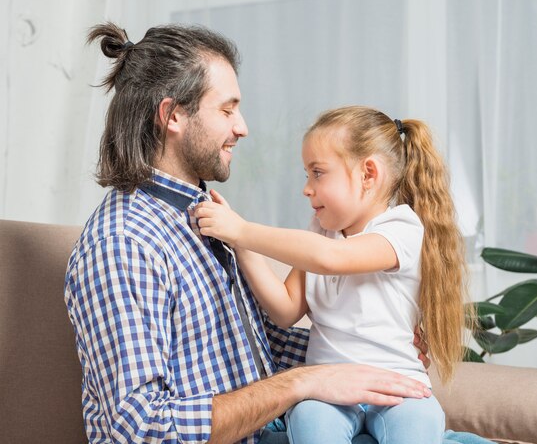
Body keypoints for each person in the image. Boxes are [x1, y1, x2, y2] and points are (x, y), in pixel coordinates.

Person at [64, 23, 431, 444]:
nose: (242, 127)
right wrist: (300, 383)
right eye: (227, 109)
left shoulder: (202, 219)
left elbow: (252, 342)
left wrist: (374, 347)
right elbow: (143, 430)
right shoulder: (125, 244)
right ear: (173, 116)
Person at [194, 106, 468, 444]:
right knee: (310, 419)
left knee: (417, 425)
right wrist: (243, 248)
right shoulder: (321, 235)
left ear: (368, 174)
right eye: (306, 175)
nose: (307, 189)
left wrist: (244, 230)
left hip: (399, 389)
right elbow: (285, 310)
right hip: (328, 392)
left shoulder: (401, 229)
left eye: (318, 173)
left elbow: (332, 259)